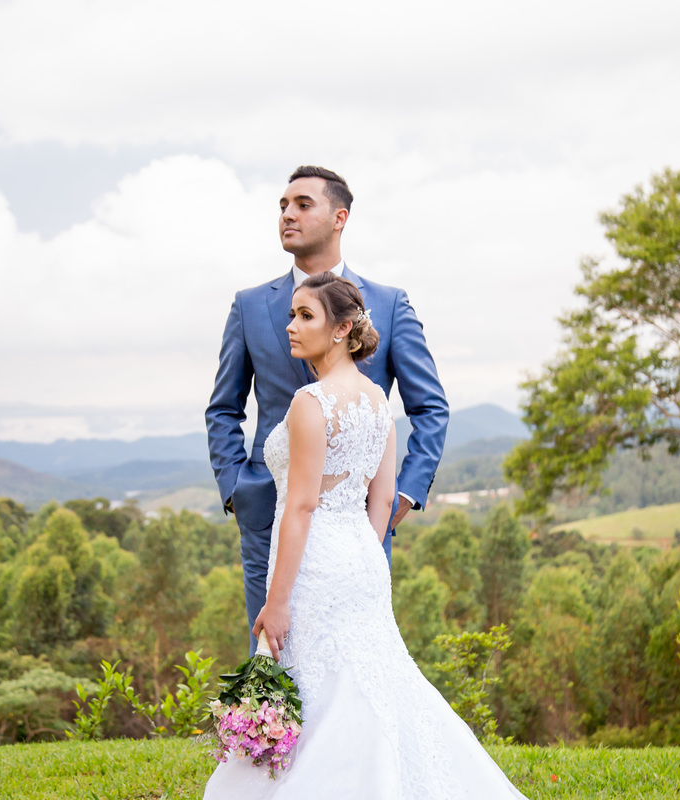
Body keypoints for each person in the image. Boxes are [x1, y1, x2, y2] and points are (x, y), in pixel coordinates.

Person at [202, 273, 526, 799]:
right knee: (369, 681)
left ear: (341, 328)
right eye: (291, 314)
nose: (291, 326)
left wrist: (276, 602)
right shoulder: (378, 400)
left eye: (305, 315)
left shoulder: (310, 402)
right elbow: (381, 498)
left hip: (313, 562)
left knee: (319, 685)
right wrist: (362, 553)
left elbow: (302, 506)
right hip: (360, 560)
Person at [206, 166, 448, 653]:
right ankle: (273, 733)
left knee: (354, 652)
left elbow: (431, 408)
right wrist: (237, 488)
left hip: (354, 520)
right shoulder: (249, 306)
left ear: (339, 218)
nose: (287, 215)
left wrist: (405, 495)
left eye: (302, 204)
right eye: (282, 206)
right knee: (273, 648)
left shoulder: (390, 303)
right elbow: (223, 408)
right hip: (267, 510)